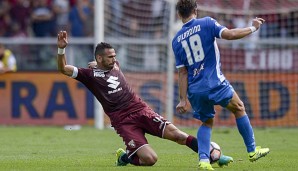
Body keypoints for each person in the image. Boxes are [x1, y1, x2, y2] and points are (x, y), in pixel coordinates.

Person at [56, 30, 233, 167]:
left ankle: (211, 154)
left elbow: (103, 64)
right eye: (110, 57)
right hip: (123, 120)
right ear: (100, 57)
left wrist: (98, 62)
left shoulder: (115, 65)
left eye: (114, 56)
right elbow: (63, 69)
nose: (114, 59)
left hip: (140, 109)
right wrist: (61, 48)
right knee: (150, 159)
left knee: (178, 135)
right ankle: (125, 156)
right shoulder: (88, 75)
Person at [172, 0, 269, 170]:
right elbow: (230, 35)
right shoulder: (207, 22)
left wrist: (182, 99)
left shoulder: (176, 40)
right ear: (196, 9)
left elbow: (182, 72)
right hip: (214, 82)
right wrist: (253, 28)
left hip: (195, 89)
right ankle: (252, 151)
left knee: (206, 122)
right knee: (239, 107)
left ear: (179, 14)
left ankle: (203, 160)